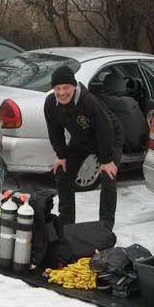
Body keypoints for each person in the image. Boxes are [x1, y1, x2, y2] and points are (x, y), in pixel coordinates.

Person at [43, 65, 123, 228]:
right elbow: (54, 130)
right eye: (57, 88)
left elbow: (105, 129)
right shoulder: (51, 103)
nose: (62, 92)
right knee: (63, 174)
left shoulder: (88, 101)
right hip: (82, 140)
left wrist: (106, 160)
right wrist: (61, 156)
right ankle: (66, 224)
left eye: (66, 87)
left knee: (108, 178)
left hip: (110, 139)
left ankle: (105, 227)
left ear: (74, 86)